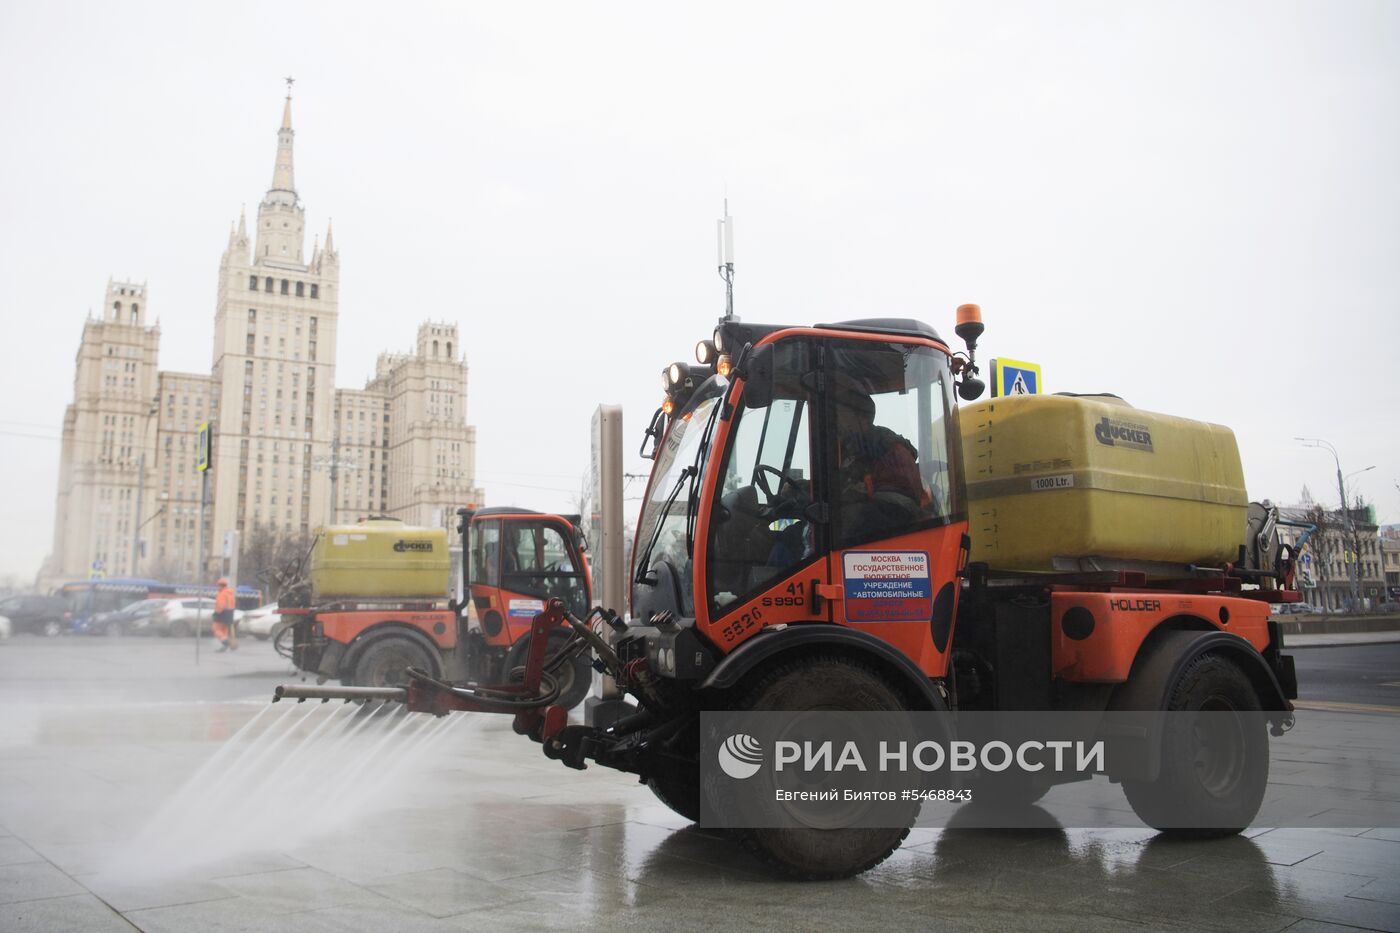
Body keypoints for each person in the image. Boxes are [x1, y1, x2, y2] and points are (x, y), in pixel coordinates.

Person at [834, 388, 928, 541]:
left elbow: (845, 484)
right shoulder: (861, 443)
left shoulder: (872, 444)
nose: (838, 422)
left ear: (859, 416)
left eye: (841, 415)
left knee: (835, 523)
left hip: (890, 513)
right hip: (883, 509)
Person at [213, 578, 238, 652]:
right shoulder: (230, 593)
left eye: (218, 586)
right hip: (229, 614)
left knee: (216, 629)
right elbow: (232, 605)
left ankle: (226, 642)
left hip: (222, 614)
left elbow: (221, 605)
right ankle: (224, 646)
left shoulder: (222, 593)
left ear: (221, 586)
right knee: (224, 631)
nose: (217, 587)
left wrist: (216, 613)